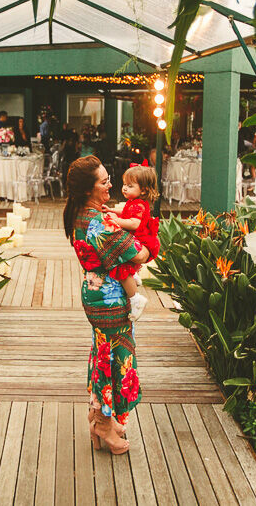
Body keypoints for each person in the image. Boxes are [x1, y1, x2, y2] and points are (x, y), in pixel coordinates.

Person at [64, 155, 150, 455]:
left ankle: (104, 418)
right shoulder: (98, 224)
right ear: (89, 189)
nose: (110, 185)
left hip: (96, 294)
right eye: (104, 181)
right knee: (112, 360)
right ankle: (102, 422)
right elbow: (137, 254)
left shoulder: (80, 214)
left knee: (104, 354)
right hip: (109, 300)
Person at [103, 164, 160, 321]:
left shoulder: (139, 204)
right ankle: (134, 275)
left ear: (143, 190)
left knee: (121, 268)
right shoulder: (134, 202)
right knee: (124, 265)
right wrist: (112, 211)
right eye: (124, 185)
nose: (124, 189)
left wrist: (117, 221)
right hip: (138, 239)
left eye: (130, 185)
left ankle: (135, 298)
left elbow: (134, 223)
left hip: (141, 239)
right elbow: (126, 212)